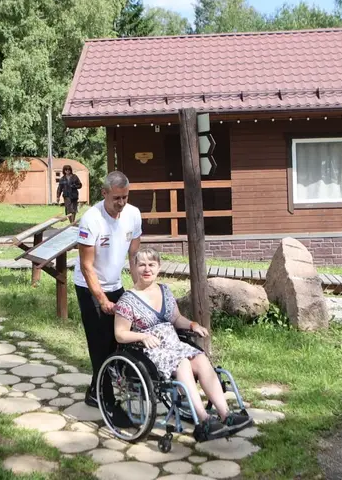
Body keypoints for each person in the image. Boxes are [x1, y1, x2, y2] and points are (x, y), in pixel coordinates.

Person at [114, 248, 253, 439]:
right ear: (134, 268)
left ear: (159, 267)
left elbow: (176, 318)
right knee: (183, 362)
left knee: (200, 358)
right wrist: (142, 337)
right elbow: (120, 334)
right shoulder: (127, 300)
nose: (147, 269)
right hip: (148, 351)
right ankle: (203, 420)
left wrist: (193, 324)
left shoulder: (165, 291)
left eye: (151, 265)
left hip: (174, 345)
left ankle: (225, 414)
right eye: (142, 265)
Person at [74, 171, 142, 425]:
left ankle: (95, 391)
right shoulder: (91, 220)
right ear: (104, 193)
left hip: (116, 284)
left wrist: (140, 291)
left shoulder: (133, 215)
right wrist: (101, 299)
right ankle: (107, 402)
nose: (121, 203)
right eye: (116, 198)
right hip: (90, 286)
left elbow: (134, 257)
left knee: (120, 340)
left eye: (125, 197)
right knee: (100, 344)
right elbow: (86, 266)